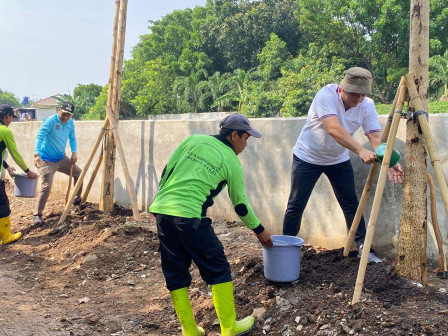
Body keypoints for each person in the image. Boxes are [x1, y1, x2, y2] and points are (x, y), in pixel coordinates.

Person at [149, 113, 273, 336]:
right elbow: (241, 206)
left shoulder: (193, 140)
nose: (246, 144)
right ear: (234, 135)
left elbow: (168, 170)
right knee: (218, 268)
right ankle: (229, 327)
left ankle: (190, 331)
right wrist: (259, 230)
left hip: (162, 212)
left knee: (175, 271)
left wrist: (162, 202)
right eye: (245, 138)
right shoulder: (231, 162)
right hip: (190, 217)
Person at [283, 67, 404, 263]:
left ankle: (365, 249)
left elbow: (374, 137)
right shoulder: (326, 95)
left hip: (337, 160)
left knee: (350, 204)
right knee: (296, 204)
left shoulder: (367, 105)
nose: (358, 99)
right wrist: (360, 150)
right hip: (307, 157)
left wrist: (389, 161)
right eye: (355, 94)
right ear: (343, 89)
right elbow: (333, 128)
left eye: (362, 94)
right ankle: (287, 249)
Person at [33, 102, 82, 225]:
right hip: (46, 160)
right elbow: (40, 137)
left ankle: (77, 201)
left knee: (79, 174)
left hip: (61, 158)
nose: (65, 118)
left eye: (68, 115)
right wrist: (37, 154)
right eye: (63, 114)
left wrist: (74, 152)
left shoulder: (70, 122)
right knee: (46, 186)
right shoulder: (50, 121)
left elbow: (72, 138)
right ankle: (37, 214)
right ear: (58, 110)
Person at [0, 104, 38, 244]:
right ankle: (6, 236)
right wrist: (28, 171)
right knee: (2, 204)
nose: (11, 120)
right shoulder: (4, 131)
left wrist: (6, 166)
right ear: (7, 116)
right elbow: (15, 154)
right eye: (11, 117)